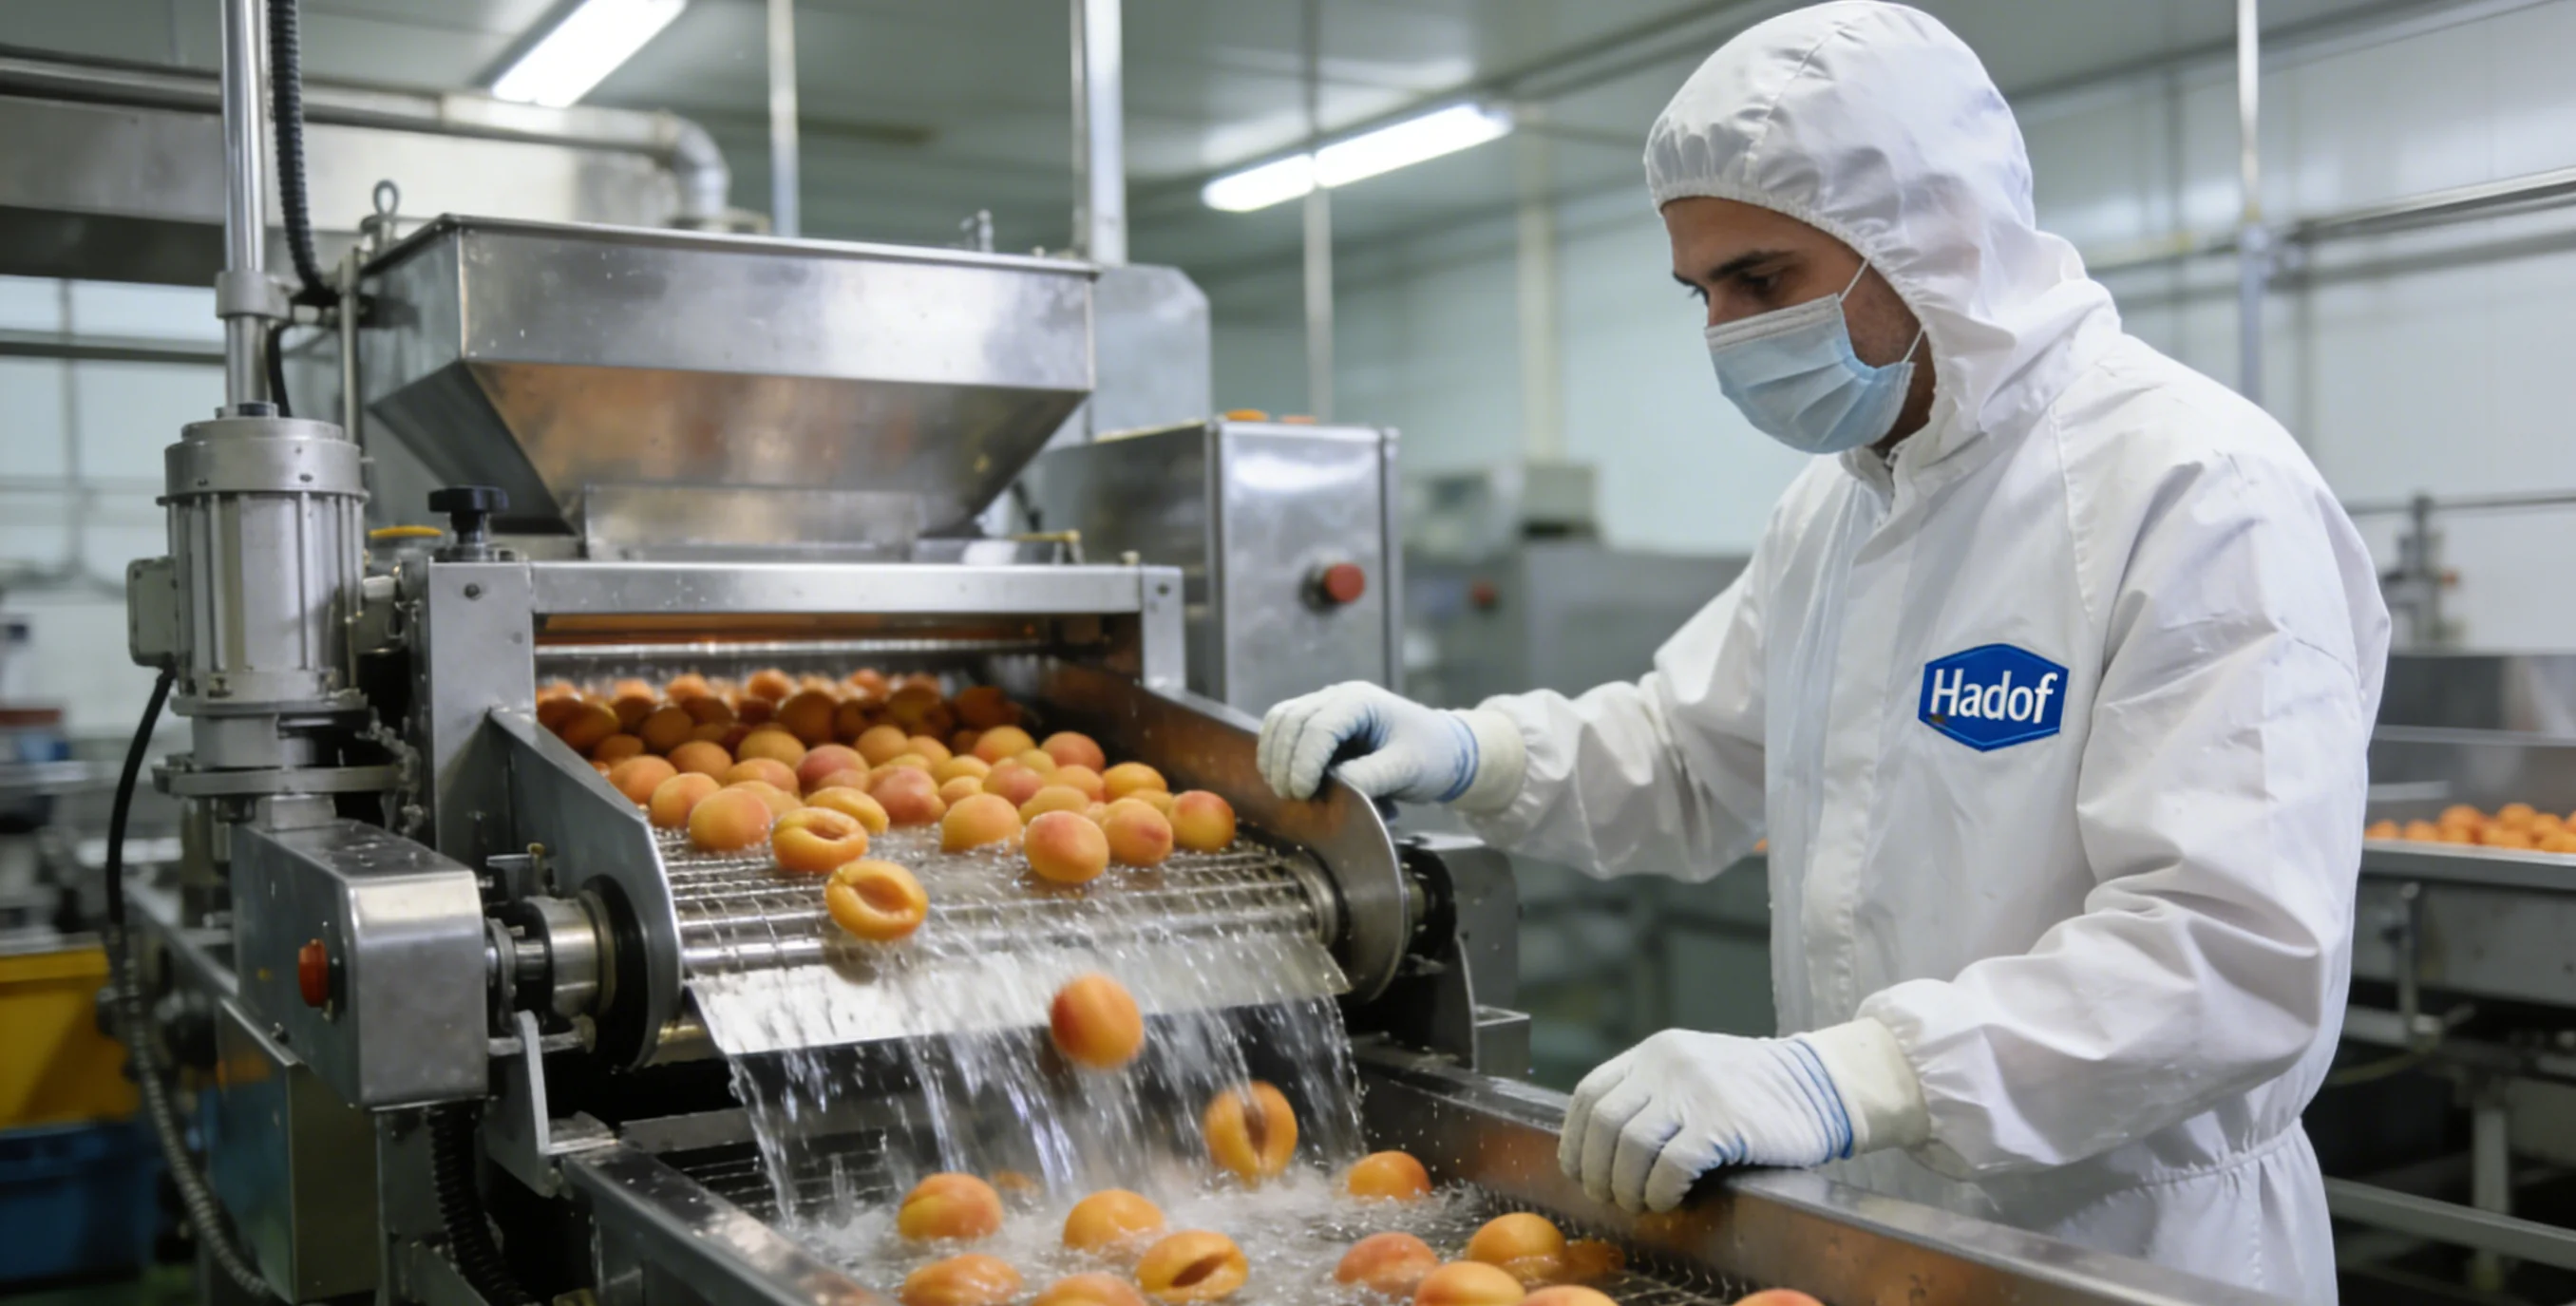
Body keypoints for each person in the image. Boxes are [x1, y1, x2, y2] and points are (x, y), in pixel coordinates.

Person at [1256, 3, 2387, 1298]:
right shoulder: (1844, 504)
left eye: (1762, 281)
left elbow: (2233, 953)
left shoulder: (2195, 489)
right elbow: (1690, 751)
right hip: (1879, 1225)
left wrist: (1859, 1071)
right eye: (1702, 291)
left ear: (1934, 238)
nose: (1724, 334)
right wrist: (1472, 749)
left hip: (2130, 1241)